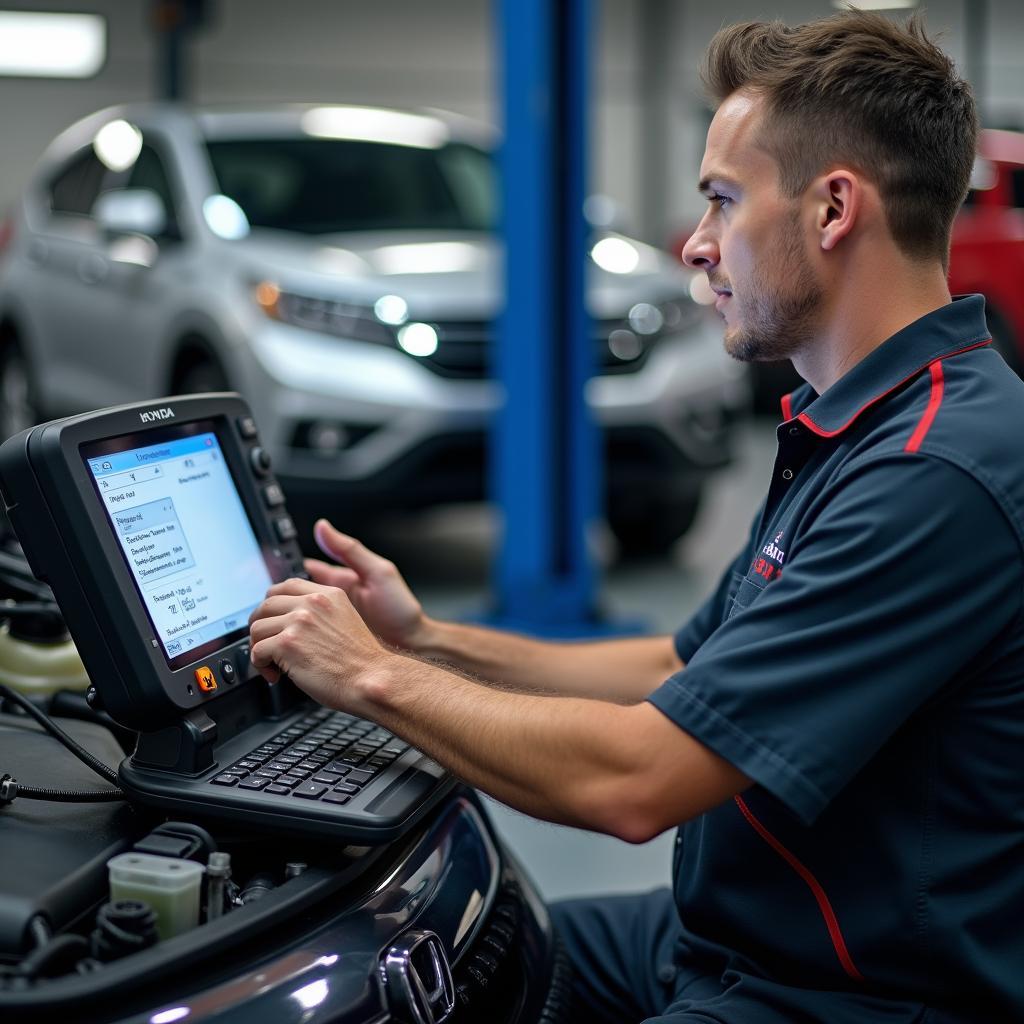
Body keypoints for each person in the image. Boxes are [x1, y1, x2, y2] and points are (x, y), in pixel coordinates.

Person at [249, 11, 1024, 1022]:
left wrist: (367, 676)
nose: (696, 246)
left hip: (852, 992)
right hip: (730, 932)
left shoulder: (935, 475)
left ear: (833, 209)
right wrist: (427, 638)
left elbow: (636, 781)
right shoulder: (867, 424)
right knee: (470, 954)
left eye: (721, 200)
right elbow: (674, 669)